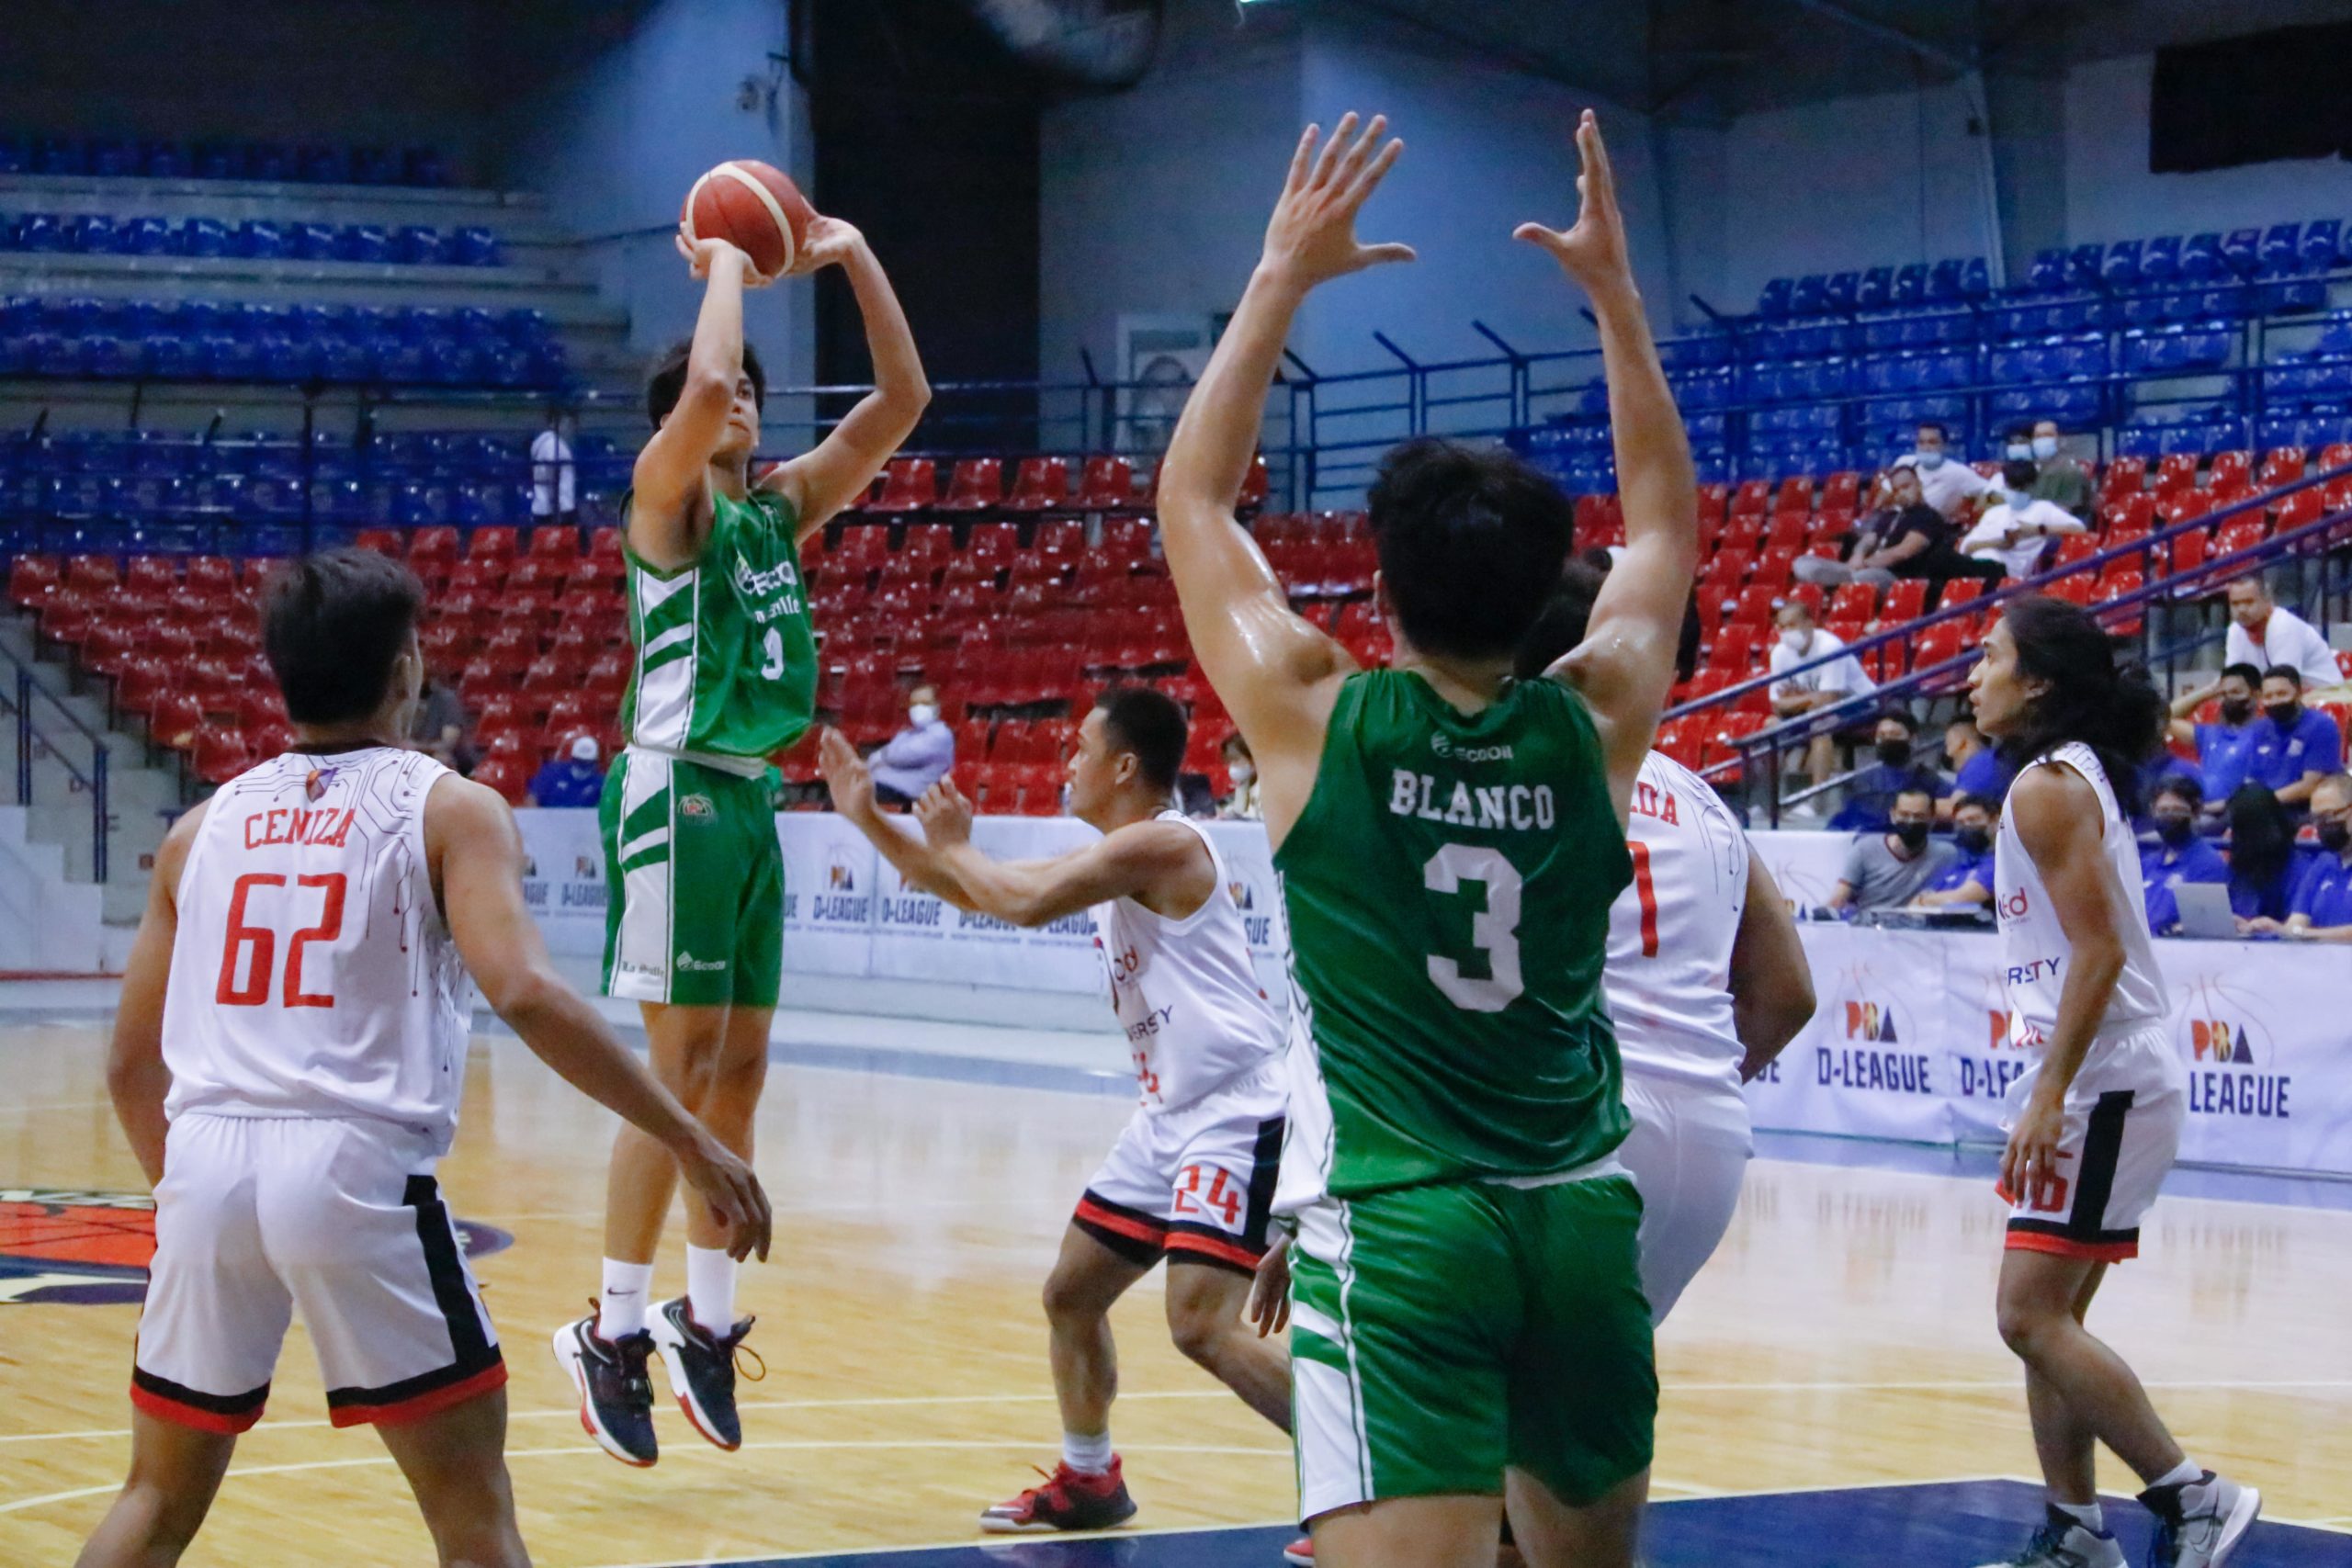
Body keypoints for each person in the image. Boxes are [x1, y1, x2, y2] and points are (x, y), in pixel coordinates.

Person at [1156, 110, 1692, 1567]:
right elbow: (1662, 534)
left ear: (1377, 583)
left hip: (1402, 1223)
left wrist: (1280, 273)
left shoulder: (1315, 712)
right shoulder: (1596, 720)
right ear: (1543, 600)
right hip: (1582, 1219)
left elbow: (1193, 497)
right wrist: (1616, 297)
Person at [76, 550, 769, 1568]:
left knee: (155, 1498)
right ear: (407, 671)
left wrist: (197, 1206)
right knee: (471, 1513)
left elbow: (132, 1070)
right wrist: (690, 1137)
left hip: (206, 1170)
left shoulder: (196, 831)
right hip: (356, 1173)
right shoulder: (447, 806)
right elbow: (525, 991)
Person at [561, 206, 928, 1467]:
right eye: (722, 398)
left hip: (753, 794)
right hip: (673, 789)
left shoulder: (778, 511)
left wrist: (849, 250)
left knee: (743, 1069)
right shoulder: (666, 505)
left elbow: (901, 398)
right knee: (675, 1074)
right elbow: (708, 374)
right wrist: (726, 247)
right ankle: (608, 1329)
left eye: (757, 398)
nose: (742, 405)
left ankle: (701, 1318)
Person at [815, 690, 1292, 1533]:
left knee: (1201, 1324)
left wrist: (951, 842)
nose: (1067, 763)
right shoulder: (1120, 855)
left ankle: (1370, 1479)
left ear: (1123, 767)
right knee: (1072, 1294)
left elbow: (1016, 898)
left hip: (1232, 1108)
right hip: (1169, 1114)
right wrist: (868, 819)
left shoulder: (1163, 842)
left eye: (1079, 748)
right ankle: (1089, 1478)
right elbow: (976, 891)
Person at [1964, 593, 2258, 1568]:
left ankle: (2191, 1493)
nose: (1972, 672)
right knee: (2053, 1319)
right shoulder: (2060, 777)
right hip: (2101, 1073)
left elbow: (2094, 954)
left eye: (1990, 655)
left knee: (2026, 1315)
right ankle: (2074, 1531)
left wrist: (2049, 1092)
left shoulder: (2047, 786)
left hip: (2105, 1077)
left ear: (2038, 680)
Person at [1510, 569, 1816, 1317]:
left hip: (1580, 1116)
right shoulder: (1701, 795)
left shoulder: (1511, 767)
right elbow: (1790, 993)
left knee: (1470, 1395)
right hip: (1711, 1139)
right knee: (1594, 1404)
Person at [1767, 599, 1874, 791]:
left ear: (1809, 624)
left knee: (1820, 721)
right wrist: (1810, 698)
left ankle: (1815, 800)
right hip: (1815, 708)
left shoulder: (1829, 646)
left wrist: (1797, 699)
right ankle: (1767, 799)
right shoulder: (1779, 653)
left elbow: (1829, 699)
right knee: (1770, 726)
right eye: (1782, 627)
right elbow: (1776, 704)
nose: (1786, 632)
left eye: (1792, 625)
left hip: (1861, 703)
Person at [2245, 773, 2352, 940]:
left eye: (2329, 816)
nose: (2322, 825)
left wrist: (2302, 934)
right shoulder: (2323, 863)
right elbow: (2296, 922)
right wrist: (2270, 928)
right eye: (2316, 818)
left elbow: (2299, 932)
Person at [1826, 786, 1956, 914]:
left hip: (1920, 929)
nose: (1911, 821)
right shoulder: (1865, 849)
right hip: (1871, 927)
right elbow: (1839, 898)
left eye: (1919, 816)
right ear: (1893, 815)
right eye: (1904, 815)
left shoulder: (1947, 855)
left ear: (1932, 819)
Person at [1961, 459, 2087, 581]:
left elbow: (2079, 528)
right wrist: (2000, 543)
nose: (2016, 493)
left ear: (2031, 487)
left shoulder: (2043, 508)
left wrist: (2037, 529)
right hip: (1981, 564)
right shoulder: (1993, 513)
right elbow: (1967, 547)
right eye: (2012, 488)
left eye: (2021, 489)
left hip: (2011, 572)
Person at [1827, 709, 1951, 832]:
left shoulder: (1928, 779)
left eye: (1894, 734)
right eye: (1882, 736)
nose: (1887, 740)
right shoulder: (1859, 780)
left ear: (1912, 739)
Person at [2243, 665, 2343, 810]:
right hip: (2265, 809)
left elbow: (2310, 786)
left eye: (2282, 694)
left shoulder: (2321, 726)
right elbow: (2250, 780)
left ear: (2299, 693)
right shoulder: (2259, 729)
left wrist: (2262, 803)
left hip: (2305, 810)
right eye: (2268, 696)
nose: (2275, 701)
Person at [2166, 662, 2263, 811]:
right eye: (2224, 694)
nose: (2228, 698)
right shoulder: (2209, 733)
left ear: (2256, 695)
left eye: (2236, 692)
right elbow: (2163, 719)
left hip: (2238, 812)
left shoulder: (2267, 733)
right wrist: (2208, 691)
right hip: (2202, 810)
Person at [2222, 577, 2341, 693]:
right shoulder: (2235, 630)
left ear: (2267, 601)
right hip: (2283, 697)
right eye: (2235, 604)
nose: (2241, 609)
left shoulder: (2284, 625)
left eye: (2249, 602)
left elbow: (2282, 683)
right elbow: (2232, 681)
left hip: (2326, 696)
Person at [2140, 780, 2228, 936]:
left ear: (2195, 812)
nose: (2169, 817)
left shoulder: (2209, 865)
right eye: (2163, 810)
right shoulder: (2146, 865)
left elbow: (2205, 927)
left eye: (2177, 810)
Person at [2222, 784, 2306, 925]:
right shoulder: (2239, 864)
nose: (2233, 834)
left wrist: (2265, 929)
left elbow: (2296, 928)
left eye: (2240, 828)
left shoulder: (2298, 869)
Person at [866, 682, 953, 808]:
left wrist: (883, 755)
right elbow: (885, 756)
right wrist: (884, 756)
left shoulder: (941, 734)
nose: (919, 707)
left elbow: (901, 756)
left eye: (925, 703)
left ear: (937, 706)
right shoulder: (906, 734)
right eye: (914, 704)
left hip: (907, 796)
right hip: (881, 787)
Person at [1911, 793, 1997, 910]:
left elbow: (1964, 897)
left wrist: (1925, 901)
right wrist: (1925, 900)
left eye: (1973, 819)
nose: (1967, 826)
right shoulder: (1958, 862)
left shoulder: (2000, 862)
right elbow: (1915, 902)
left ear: (1994, 821)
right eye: (1961, 823)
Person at [1892, 420, 1990, 522]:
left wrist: (1980, 505)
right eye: (1921, 442)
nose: (1926, 448)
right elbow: (1886, 494)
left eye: (1932, 442)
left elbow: (1992, 491)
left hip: (1928, 528)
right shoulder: (1905, 462)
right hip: (1895, 521)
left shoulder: (1957, 472)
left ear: (1945, 446)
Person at [2023, 420, 2095, 521]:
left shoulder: (2070, 469)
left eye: (2048, 435)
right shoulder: (2032, 467)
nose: (2042, 440)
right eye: (2038, 436)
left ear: (2059, 439)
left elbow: (2064, 511)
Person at [408, 671, 471, 773]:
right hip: (412, 755)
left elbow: (447, 744)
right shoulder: (401, 701)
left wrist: (416, 746)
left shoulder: (447, 700)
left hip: (439, 756)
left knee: (442, 759)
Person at [1944, 717, 2014, 807]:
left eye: (1948, 745)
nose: (1948, 754)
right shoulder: (1990, 759)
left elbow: (1956, 807)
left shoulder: (1981, 763)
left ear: (1962, 743)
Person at [528, 734, 605, 808]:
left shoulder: (601, 782)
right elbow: (532, 798)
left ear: (596, 763)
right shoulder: (551, 772)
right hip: (549, 819)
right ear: (572, 759)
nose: (583, 767)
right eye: (579, 762)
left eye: (588, 763)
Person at [531, 409, 579, 525]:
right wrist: (561, 509)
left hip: (544, 506)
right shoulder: (554, 445)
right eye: (566, 423)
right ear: (554, 423)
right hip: (558, 510)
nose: (569, 428)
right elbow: (554, 476)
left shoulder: (541, 443)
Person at [1218, 732, 1261, 820]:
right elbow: (1239, 810)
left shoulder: (1264, 789)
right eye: (1229, 762)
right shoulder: (1243, 786)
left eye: (1236, 761)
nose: (1232, 767)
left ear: (1253, 760)